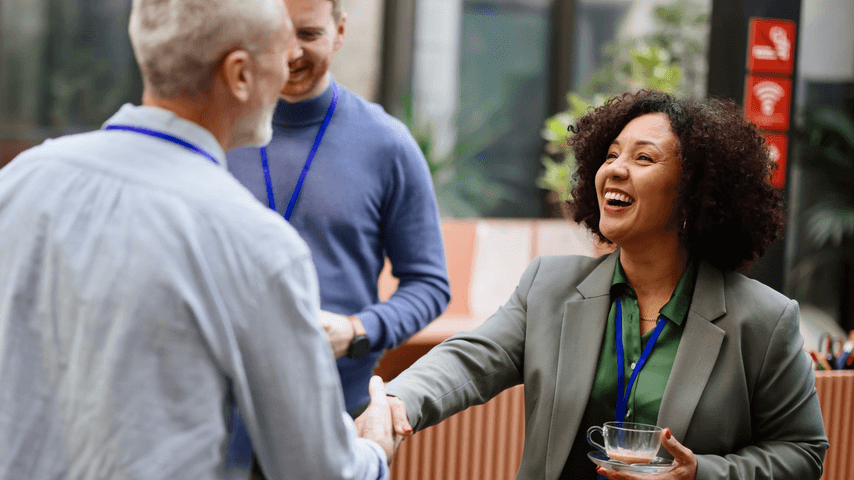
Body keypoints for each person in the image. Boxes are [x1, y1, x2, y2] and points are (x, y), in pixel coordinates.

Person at [0, 0, 400, 478]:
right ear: (240, 74)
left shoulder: (21, 181)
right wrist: (374, 449)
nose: (290, 63)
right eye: (281, 48)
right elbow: (318, 470)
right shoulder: (258, 245)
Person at [385, 90, 829, 480]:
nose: (614, 170)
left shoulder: (765, 320)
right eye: (611, 154)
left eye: (643, 158)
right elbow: (468, 361)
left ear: (694, 192)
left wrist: (702, 473)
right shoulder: (548, 286)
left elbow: (802, 453)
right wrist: (395, 402)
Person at [227, 0, 450, 417]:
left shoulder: (388, 144)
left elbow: (429, 284)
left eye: (309, 34)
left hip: (335, 411)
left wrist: (356, 331)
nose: (292, 52)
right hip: (216, 411)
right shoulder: (216, 127)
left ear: (340, 30)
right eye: (278, 32)